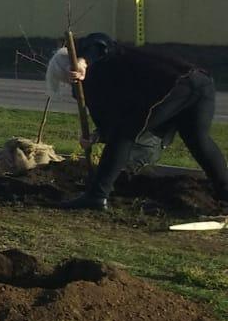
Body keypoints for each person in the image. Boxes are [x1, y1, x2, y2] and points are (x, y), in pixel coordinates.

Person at [50, 33, 228, 210]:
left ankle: (96, 195)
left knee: (124, 134)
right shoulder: (105, 76)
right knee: (198, 140)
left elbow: (99, 41)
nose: (73, 82)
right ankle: (225, 192)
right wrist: (96, 136)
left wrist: (83, 61)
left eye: (69, 78)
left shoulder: (97, 57)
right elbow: (109, 120)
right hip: (199, 82)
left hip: (174, 85)